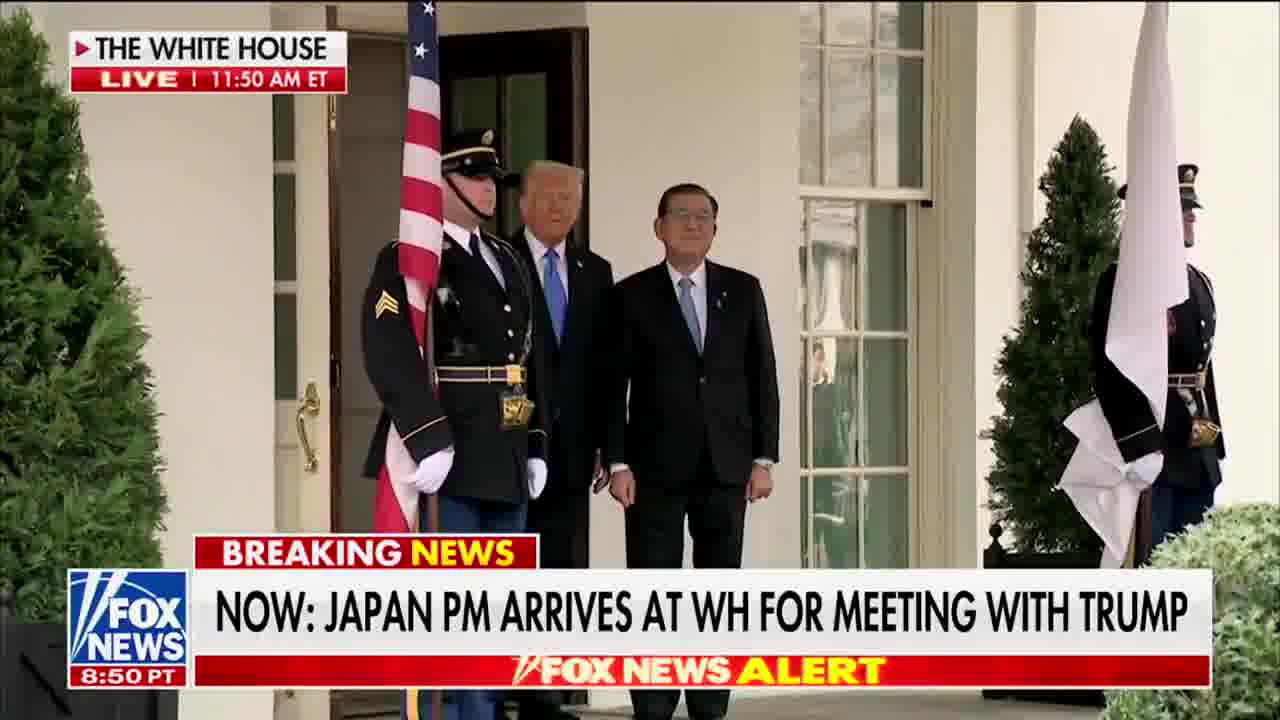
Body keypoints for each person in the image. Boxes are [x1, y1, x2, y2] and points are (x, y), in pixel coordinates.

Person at [360, 128, 550, 720]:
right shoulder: (410, 257)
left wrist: (537, 440)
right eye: (474, 178)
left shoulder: (509, 258)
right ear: (438, 183)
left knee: (501, 613)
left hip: (507, 456)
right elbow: (388, 347)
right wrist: (425, 435)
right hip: (451, 453)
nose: (489, 190)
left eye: (493, 180)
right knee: (458, 611)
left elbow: (532, 356)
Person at [604, 182, 780, 720]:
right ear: (659, 227)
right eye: (681, 215)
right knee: (654, 593)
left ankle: (709, 704)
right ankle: (653, 705)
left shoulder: (743, 290)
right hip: (653, 468)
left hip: (726, 466)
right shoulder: (632, 295)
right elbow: (613, 384)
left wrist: (763, 459)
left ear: (714, 230)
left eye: (704, 217)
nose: (693, 224)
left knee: (716, 594)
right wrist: (617, 461)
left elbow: (762, 376)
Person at [508, 160, 614, 720]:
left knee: (562, 571)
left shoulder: (595, 270)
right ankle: (500, 689)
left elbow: (605, 367)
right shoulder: (497, 260)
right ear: (522, 203)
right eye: (548, 196)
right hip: (508, 445)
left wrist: (606, 443)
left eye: (569, 198)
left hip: (573, 450)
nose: (559, 207)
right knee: (510, 570)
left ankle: (547, 694)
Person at [1093, 162, 1223, 565]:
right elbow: (1110, 369)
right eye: (1181, 211)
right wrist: (1141, 444)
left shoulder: (1197, 280)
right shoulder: (1124, 282)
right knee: (1155, 575)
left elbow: (1203, 366)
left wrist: (1213, 435)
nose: (1190, 218)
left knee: (1196, 571)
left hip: (1196, 452)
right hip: (1157, 452)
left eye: (1190, 210)